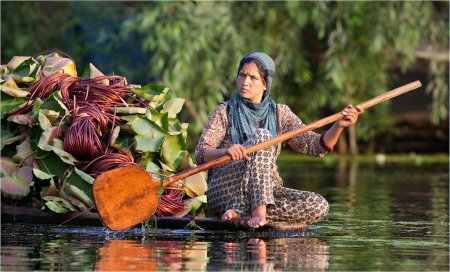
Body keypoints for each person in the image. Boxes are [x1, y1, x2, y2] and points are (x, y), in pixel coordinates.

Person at [195, 52, 363, 228]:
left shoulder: (279, 113)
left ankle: (242, 216)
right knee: (263, 136)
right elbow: (201, 153)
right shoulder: (224, 111)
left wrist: (339, 126)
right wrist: (226, 152)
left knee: (319, 204)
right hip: (226, 191)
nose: (245, 82)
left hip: (264, 190)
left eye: (253, 78)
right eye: (242, 75)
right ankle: (258, 212)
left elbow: (313, 146)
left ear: (266, 84)